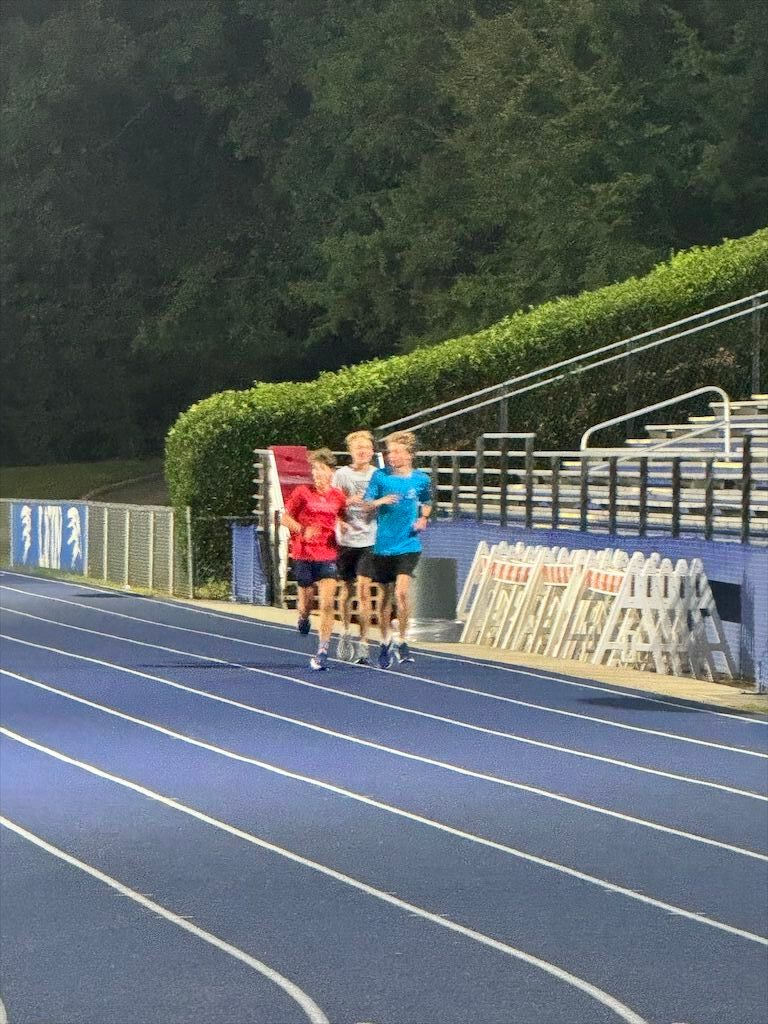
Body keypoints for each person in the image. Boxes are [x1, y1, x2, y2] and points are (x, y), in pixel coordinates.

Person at [364, 430, 432, 669]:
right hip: (384, 545)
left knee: (401, 593)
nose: (391, 456)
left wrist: (423, 518)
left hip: (409, 544)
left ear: (409, 454)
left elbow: (427, 501)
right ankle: (385, 641)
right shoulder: (380, 477)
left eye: (396, 452)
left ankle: (402, 639)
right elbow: (366, 504)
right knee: (385, 597)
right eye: (389, 452)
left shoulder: (421, 479)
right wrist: (380, 502)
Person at [280, 449, 346, 671]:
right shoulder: (302, 492)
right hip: (304, 553)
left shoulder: (338, 496)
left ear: (331, 472)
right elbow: (284, 518)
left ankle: (323, 649)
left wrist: (345, 527)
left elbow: (344, 516)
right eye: (314, 469)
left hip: (328, 554)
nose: (317, 473)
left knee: (327, 604)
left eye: (322, 469)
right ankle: (303, 617)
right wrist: (302, 529)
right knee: (306, 604)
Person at [332, 430, 377, 665]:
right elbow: (331, 504)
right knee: (346, 590)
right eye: (358, 448)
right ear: (351, 451)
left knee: (364, 590)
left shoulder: (378, 475)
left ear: (372, 451)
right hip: (346, 541)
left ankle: (364, 643)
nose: (362, 452)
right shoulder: (341, 475)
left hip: (369, 539)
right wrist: (344, 512)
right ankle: (345, 631)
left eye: (366, 448)